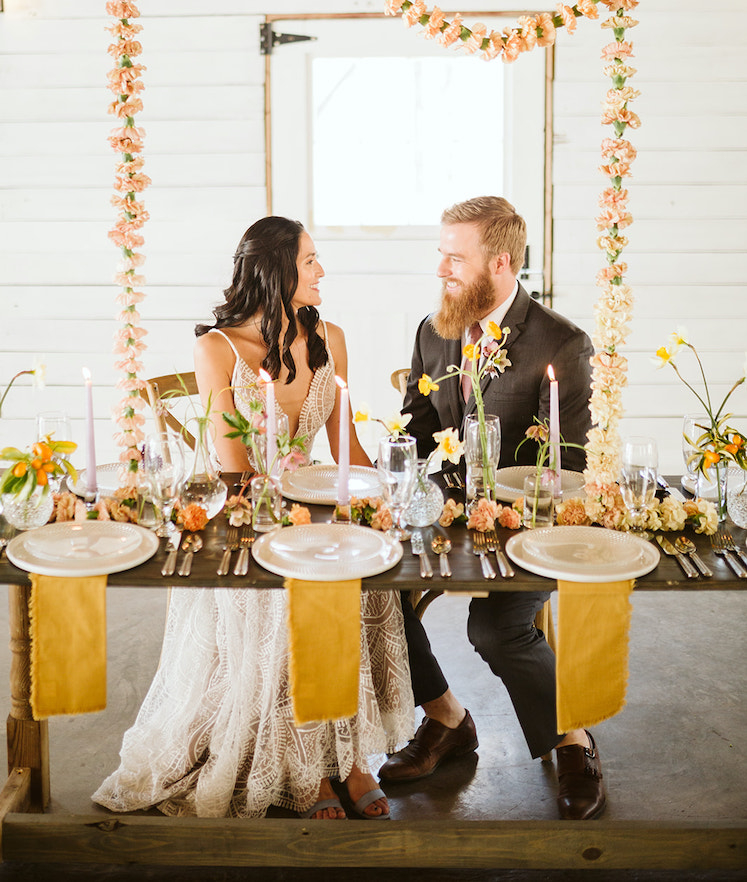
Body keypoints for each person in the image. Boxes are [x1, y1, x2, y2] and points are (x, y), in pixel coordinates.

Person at [95, 217, 412, 821]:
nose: (322, 271)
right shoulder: (217, 348)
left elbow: (345, 449)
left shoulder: (331, 338)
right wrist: (289, 517)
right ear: (276, 270)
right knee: (288, 595)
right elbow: (233, 467)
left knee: (367, 570)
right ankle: (304, 767)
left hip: (317, 512)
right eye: (311, 260)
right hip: (253, 519)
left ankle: (347, 759)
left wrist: (386, 494)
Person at [383, 196, 603, 820]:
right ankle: (448, 720)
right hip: (451, 516)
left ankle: (574, 740)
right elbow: (417, 428)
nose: (443, 271)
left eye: (456, 258)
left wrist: (505, 505)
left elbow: (571, 465)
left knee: (496, 629)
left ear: (501, 263)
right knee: (367, 597)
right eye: (441, 256)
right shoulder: (435, 330)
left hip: (533, 523)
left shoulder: (562, 342)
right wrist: (377, 467)